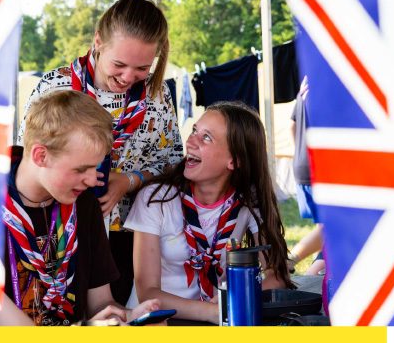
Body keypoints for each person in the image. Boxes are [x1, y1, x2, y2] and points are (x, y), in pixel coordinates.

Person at [17, 0, 183, 306]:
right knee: (53, 308)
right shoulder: (56, 87)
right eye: (119, 64)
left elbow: (173, 164)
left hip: (129, 231)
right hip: (62, 224)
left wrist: (129, 181)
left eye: (142, 68)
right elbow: (29, 159)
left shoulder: (157, 96)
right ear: (98, 42)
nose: (128, 77)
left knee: (107, 306)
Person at [0, 90, 160, 326]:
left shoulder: (84, 203)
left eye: (97, 166)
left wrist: (127, 318)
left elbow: (101, 304)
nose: (93, 180)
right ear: (41, 156)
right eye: (81, 170)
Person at [125, 101, 295, 324]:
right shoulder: (156, 198)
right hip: (156, 324)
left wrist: (240, 301)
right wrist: (216, 312)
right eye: (194, 130)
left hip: (215, 321)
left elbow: (277, 274)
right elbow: (148, 292)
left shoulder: (248, 199)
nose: (190, 141)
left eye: (206, 137)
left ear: (234, 161)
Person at [288, 76, 324, 274]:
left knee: (323, 227)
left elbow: (291, 126)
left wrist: (299, 154)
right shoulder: (332, 81)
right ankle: (298, 269)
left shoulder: (305, 85)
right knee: (330, 229)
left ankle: (313, 273)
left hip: (301, 164)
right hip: (321, 169)